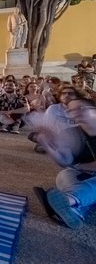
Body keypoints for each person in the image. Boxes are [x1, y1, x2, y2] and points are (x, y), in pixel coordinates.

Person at [33, 98, 96, 229]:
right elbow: (66, 162)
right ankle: (74, 209)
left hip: (89, 174)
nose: (75, 113)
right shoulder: (71, 132)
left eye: (81, 109)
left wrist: (81, 166)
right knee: (64, 174)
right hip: (84, 174)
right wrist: (48, 146)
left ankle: (69, 199)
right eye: (71, 110)